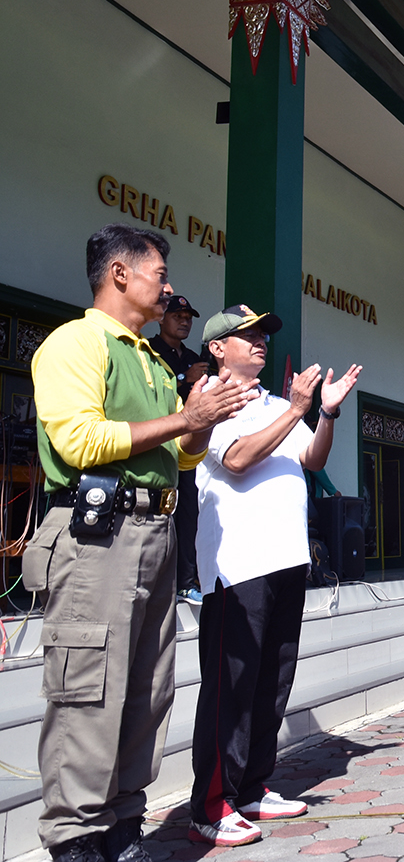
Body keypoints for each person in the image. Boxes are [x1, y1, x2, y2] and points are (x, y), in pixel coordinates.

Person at [26, 224, 255, 862]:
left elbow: (179, 459)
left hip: (153, 534)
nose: (170, 287)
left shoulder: (153, 360)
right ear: (120, 273)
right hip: (97, 540)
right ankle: (76, 837)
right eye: (161, 273)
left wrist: (206, 423)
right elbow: (79, 441)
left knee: (146, 690)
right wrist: (188, 416)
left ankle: (125, 827)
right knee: (90, 689)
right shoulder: (76, 343)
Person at [188, 307, 361, 845]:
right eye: (249, 335)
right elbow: (236, 459)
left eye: (264, 334)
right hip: (238, 567)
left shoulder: (274, 403)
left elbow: (310, 458)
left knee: (272, 680)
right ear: (218, 348)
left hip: (287, 559)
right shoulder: (207, 401)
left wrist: (325, 415)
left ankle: (252, 788)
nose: (261, 341)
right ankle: (210, 805)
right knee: (231, 688)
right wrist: (296, 408)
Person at [148, 294, 210, 604]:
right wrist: (186, 378)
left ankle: (186, 581)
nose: (184, 320)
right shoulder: (148, 350)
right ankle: (159, 581)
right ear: (161, 318)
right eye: (177, 315)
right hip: (157, 444)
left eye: (188, 316)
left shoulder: (191, 355)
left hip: (188, 447)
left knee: (189, 512)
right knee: (159, 513)